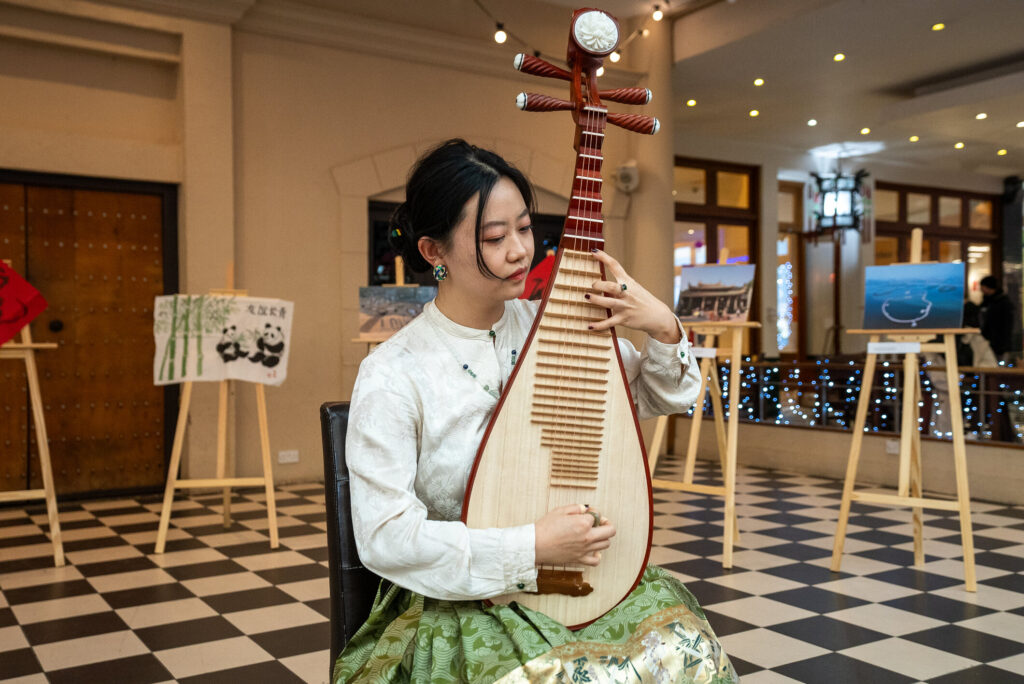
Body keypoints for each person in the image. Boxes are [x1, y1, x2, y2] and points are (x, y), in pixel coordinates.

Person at [335, 139, 737, 683]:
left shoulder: (555, 327)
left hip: (584, 581)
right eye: (494, 238)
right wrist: (530, 546)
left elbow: (658, 396)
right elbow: (385, 536)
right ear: (434, 252)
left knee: (687, 654)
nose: (521, 250)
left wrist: (662, 325)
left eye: (525, 228)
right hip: (462, 596)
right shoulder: (395, 372)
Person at [979, 275, 1014, 363]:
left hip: (999, 341)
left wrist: (1006, 344)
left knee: (998, 365)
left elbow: (1007, 325)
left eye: (982, 287)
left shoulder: (1002, 302)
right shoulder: (987, 301)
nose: (981, 289)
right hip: (988, 340)